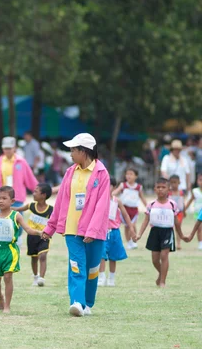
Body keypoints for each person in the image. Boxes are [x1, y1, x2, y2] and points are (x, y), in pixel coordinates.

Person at [42, 133, 110, 317]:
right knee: (76, 265)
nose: (70, 154)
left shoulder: (102, 173)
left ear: (84, 151)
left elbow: (103, 205)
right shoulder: (70, 172)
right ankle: (77, 303)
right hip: (72, 229)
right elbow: (61, 200)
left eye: (73, 150)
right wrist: (51, 227)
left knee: (93, 269)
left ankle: (88, 303)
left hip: (94, 231)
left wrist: (93, 230)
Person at [0, 186, 42, 313]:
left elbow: (28, 229)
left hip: (10, 252)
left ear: (12, 201)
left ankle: (7, 306)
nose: (0, 201)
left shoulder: (16, 216)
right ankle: (0, 297)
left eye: (4, 198)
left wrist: (40, 233)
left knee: (8, 277)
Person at [0, 137, 39, 245]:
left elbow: (30, 179)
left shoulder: (21, 162)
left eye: (10, 148)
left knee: (18, 221)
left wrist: (39, 190)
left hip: (17, 198)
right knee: (2, 220)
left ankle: (17, 239)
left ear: (14, 148)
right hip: (1, 197)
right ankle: (4, 242)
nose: (7, 150)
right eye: (5, 148)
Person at [135, 178, 186, 287]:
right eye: (158, 187)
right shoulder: (151, 204)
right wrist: (139, 234)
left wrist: (181, 235)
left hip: (167, 232)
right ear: (155, 189)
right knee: (154, 259)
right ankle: (161, 273)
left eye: (163, 187)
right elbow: (146, 220)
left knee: (164, 255)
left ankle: (162, 281)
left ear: (168, 190)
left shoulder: (172, 204)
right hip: (155, 232)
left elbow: (177, 222)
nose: (161, 190)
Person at [12, 183, 53, 287]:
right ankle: (35, 276)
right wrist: (6, 207)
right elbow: (18, 209)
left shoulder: (50, 210)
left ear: (43, 195)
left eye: (36, 191)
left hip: (43, 237)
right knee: (34, 258)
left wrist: (49, 233)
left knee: (42, 256)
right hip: (31, 236)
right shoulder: (31, 206)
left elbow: (54, 222)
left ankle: (41, 278)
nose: (33, 193)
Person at [98, 178, 136, 287]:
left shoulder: (116, 201)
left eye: (109, 185)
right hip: (102, 232)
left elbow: (125, 215)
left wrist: (131, 228)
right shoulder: (99, 199)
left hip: (114, 232)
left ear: (114, 187)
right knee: (101, 255)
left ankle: (111, 278)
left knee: (113, 257)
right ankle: (101, 277)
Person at [112, 168, 147, 250]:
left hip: (134, 210)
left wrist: (148, 207)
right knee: (127, 227)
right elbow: (115, 192)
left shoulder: (139, 187)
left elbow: (142, 198)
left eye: (131, 174)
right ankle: (128, 242)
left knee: (133, 225)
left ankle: (134, 240)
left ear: (136, 176)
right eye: (127, 174)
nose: (129, 176)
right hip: (124, 210)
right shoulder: (123, 185)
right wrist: (108, 194)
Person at [184, 173, 202, 250]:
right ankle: (200, 243)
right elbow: (190, 201)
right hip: (198, 213)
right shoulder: (195, 191)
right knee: (199, 228)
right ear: (197, 181)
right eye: (200, 180)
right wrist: (184, 210)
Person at [168, 174, 186, 249]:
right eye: (171, 183)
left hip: (179, 213)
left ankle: (178, 243)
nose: (173, 184)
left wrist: (184, 211)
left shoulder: (181, 192)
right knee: (170, 228)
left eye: (175, 182)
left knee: (178, 228)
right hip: (170, 213)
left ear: (179, 182)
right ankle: (170, 242)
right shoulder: (168, 193)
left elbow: (183, 203)